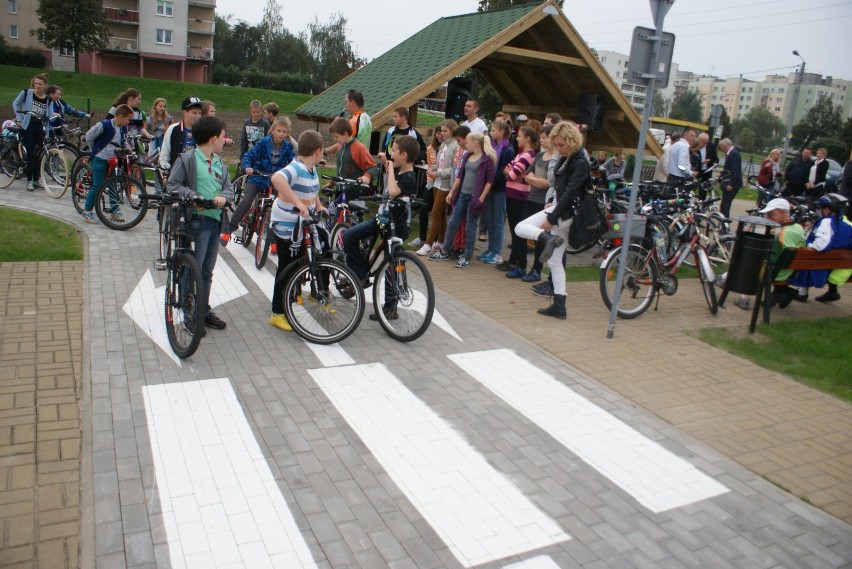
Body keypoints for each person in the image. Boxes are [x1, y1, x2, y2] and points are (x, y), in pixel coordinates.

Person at [513, 121, 590, 320]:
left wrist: (552, 217)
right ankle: (559, 304)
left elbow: (570, 193)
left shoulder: (579, 162)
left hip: (565, 214)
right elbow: (560, 188)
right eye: (556, 145)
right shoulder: (570, 158)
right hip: (563, 211)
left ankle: (544, 238)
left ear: (572, 142)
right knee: (555, 261)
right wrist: (550, 202)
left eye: (561, 145)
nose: (558, 148)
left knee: (521, 227)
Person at [166, 115, 234, 334]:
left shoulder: (220, 164)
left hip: (215, 221)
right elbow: (172, 185)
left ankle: (202, 310)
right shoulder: (187, 159)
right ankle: (189, 313)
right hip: (196, 222)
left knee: (206, 270)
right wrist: (192, 195)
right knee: (192, 269)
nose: (225, 141)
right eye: (223, 137)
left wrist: (224, 197)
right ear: (214, 138)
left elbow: (229, 189)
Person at [343, 136, 420, 320]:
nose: (391, 154)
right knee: (353, 237)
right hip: (385, 220)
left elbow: (393, 191)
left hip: (394, 224)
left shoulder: (408, 176)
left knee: (391, 265)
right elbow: (392, 184)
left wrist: (391, 168)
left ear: (403, 155)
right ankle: (362, 275)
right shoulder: (402, 172)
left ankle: (386, 304)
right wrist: (387, 164)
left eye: (394, 151)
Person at [268, 130, 327, 332]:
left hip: (305, 225)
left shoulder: (311, 168)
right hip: (288, 228)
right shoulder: (296, 167)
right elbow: (277, 179)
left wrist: (318, 206)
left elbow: (312, 189)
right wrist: (297, 202)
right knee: (286, 269)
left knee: (317, 254)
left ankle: (313, 291)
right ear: (318, 151)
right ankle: (277, 313)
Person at [429, 132, 496, 267]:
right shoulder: (467, 156)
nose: (466, 144)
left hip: (474, 197)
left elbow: (489, 181)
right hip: (462, 195)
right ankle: (446, 250)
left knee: (470, 227)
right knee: (453, 222)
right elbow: (459, 176)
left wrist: (481, 198)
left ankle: (467, 256)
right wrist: (452, 191)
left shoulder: (486, 159)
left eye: (468, 142)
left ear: (475, 143)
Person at [225, 116, 297, 240]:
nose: (281, 134)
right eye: (279, 130)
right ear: (273, 130)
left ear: (287, 133)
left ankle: (274, 239)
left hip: (275, 180)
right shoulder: (263, 142)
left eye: (284, 132)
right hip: (258, 177)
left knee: (279, 206)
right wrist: (247, 166)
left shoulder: (288, 147)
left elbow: (294, 162)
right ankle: (230, 228)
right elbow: (249, 155)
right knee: (246, 201)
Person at [788, 193, 852, 303]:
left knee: (800, 256)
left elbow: (821, 246)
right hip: (833, 267)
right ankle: (804, 291)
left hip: (817, 269)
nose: (820, 210)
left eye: (821, 208)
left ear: (827, 209)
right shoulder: (847, 225)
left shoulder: (827, 222)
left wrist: (808, 245)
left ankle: (797, 292)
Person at [80, 105, 132, 224]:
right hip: (100, 158)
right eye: (128, 119)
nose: (129, 122)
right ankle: (87, 210)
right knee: (97, 185)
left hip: (112, 160)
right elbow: (89, 136)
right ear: (120, 116)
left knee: (113, 183)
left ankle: (115, 210)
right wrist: (94, 149)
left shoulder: (124, 128)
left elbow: (123, 141)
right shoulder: (104, 125)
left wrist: (127, 148)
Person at [521, 124, 557, 283]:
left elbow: (549, 183)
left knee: (541, 238)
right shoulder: (539, 156)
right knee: (522, 230)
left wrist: (535, 180)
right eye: (541, 137)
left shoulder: (556, 159)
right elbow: (526, 176)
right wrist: (536, 180)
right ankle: (520, 265)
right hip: (531, 197)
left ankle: (536, 269)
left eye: (544, 137)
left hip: (544, 203)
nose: (541, 140)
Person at [502, 126, 539, 278]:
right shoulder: (520, 154)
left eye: (520, 136)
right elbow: (506, 169)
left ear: (528, 138)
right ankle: (514, 260)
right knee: (513, 230)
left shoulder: (528, 155)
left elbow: (511, 174)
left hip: (518, 197)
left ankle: (520, 264)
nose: (517, 138)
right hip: (511, 194)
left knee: (518, 231)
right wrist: (511, 174)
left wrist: (513, 175)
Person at [419, 119, 458, 256]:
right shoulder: (443, 145)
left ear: (452, 131)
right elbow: (439, 163)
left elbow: (452, 169)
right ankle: (441, 241)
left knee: (435, 213)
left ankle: (428, 244)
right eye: (441, 130)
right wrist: (432, 169)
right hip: (437, 182)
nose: (442, 133)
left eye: (445, 131)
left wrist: (437, 172)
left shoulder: (455, 146)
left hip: (445, 185)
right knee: (440, 214)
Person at [480, 119, 515, 265]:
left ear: (501, 132)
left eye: (493, 130)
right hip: (490, 188)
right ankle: (490, 249)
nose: (491, 132)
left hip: (499, 189)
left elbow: (501, 171)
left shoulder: (507, 149)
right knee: (490, 220)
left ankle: (497, 252)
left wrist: (491, 184)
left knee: (498, 221)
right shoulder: (492, 146)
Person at [12, 73, 50, 191]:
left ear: (45, 85)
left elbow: (48, 115)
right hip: (28, 125)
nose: (37, 86)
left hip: (39, 126)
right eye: (36, 83)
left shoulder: (47, 99)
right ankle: (29, 180)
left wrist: (47, 131)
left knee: (38, 154)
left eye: (40, 84)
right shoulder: (26, 93)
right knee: (31, 152)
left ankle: (36, 180)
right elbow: (16, 103)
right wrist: (19, 118)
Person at [326, 116, 377, 185]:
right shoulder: (341, 147)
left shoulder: (359, 148)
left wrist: (367, 176)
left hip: (356, 191)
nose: (335, 139)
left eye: (336, 137)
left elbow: (373, 167)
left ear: (345, 134)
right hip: (341, 190)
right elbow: (340, 171)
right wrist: (331, 184)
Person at [159, 97, 204, 172]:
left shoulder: (203, 130)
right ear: (184, 113)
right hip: (177, 174)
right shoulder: (173, 129)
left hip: (197, 174)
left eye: (200, 113)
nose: (198, 116)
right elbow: (164, 155)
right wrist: (165, 174)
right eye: (194, 113)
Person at [323, 89, 372, 157]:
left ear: (352, 103)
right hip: (363, 158)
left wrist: (324, 151)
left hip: (352, 160)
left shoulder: (354, 120)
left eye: (346, 102)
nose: (345, 105)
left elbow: (342, 142)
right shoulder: (367, 117)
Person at [718, 138, 742, 218]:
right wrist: (721, 174)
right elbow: (729, 169)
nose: (720, 149)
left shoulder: (733, 154)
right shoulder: (731, 153)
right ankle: (724, 223)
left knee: (725, 205)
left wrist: (731, 184)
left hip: (731, 184)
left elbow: (735, 171)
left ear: (725, 146)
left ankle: (725, 224)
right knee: (724, 205)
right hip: (730, 181)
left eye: (720, 147)